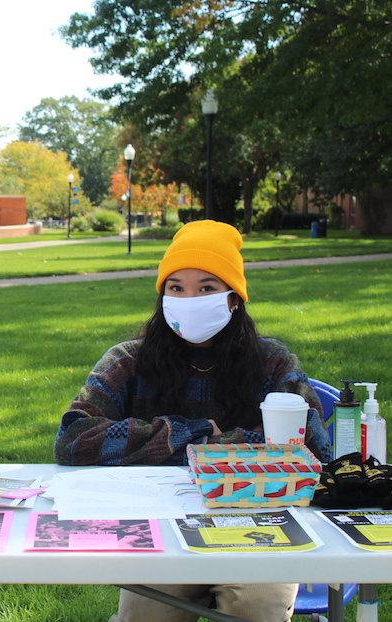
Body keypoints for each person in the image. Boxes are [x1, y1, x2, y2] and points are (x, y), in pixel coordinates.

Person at [53, 220, 331, 622]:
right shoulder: (128, 361)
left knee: (258, 608)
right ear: (162, 295)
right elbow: (74, 438)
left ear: (234, 298)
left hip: (259, 526)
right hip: (160, 525)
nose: (189, 298)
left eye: (206, 288)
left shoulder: (273, 362)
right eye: (176, 287)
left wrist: (203, 448)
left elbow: (313, 449)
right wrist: (194, 433)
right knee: (144, 614)